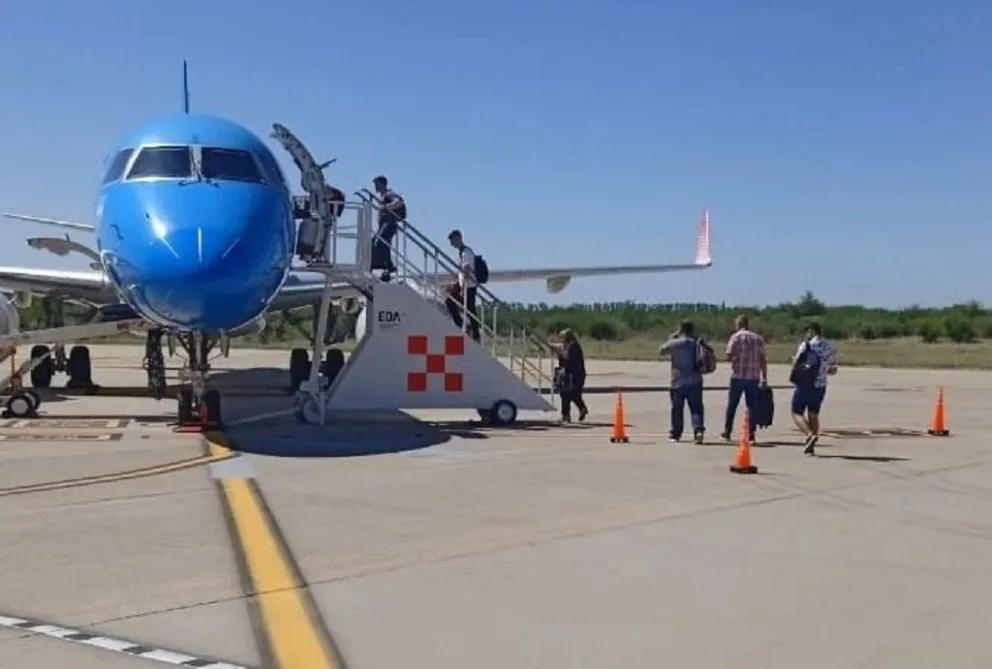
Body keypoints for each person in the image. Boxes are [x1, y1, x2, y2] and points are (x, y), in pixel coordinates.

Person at [790, 321, 838, 456]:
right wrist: (822, 371)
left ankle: (810, 434)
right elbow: (833, 369)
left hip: (805, 384)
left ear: (811, 331)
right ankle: (811, 445)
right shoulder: (829, 346)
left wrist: (794, 361)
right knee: (813, 414)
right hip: (820, 386)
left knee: (796, 412)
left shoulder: (806, 345)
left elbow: (797, 363)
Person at [722, 315, 768, 443]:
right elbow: (763, 360)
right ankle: (751, 434)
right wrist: (764, 377)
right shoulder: (757, 338)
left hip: (738, 376)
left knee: (732, 405)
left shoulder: (736, 337)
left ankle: (727, 432)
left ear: (739, 324)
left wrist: (733, 358)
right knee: (752, 406)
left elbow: (728, 355)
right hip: (753, 377)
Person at [658, 320, 706, 444]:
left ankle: (676, 433)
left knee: (677, 408)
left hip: (678, 380)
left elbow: (661, 351)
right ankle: (698, 430)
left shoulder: (675, 343)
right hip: (695, 380)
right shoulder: (696, 343)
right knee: (696, 408)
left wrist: (673, 336)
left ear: (681, 329)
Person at [444, 229, 480, 342]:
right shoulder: (462, 253)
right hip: (464, 285)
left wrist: (462, 287)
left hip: (468, 286)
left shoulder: (466, 253)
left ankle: (475, 334)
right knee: (451, 302)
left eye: (452, 240)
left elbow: (466, 269)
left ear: (458, 238)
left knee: (470, 310)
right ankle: (466, 327)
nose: (451, 244)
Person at [370, 175, 406, 281]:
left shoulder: (388, 194)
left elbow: (398, 202)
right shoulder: (383, 196)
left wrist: (386, 207)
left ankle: (385, 267)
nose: (375, 186)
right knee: (377, 244)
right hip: (384, 225)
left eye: (376, 184)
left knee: (379, 244)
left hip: (389, 224)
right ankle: (387, 267)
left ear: (382, 184)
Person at [552, 329, 588, 422]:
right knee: (564, 394)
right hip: (566, 373)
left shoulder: (573, 346)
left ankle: (582, 408)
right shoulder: (565, 346)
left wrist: (559, 352)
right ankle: (566, 415)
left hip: (576, 374)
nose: (560, 338)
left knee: (574, 394)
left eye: (562, 336)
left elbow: (567, 357)